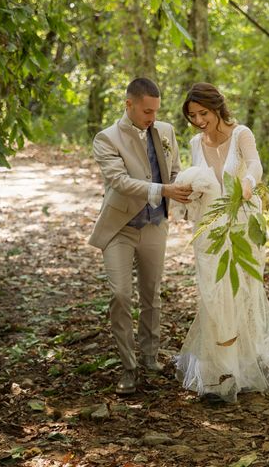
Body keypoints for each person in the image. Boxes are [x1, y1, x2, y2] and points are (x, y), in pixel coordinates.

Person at [88, 78, 192, 395]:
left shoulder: (166, 131)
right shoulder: (106, 139)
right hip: (120, 227)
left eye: (156, 111)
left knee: (152, 293)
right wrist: (162, 190)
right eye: (147, 111)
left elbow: (173, 171)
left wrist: (190, 188)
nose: (152, 118)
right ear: (128, 104)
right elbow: (119, 182)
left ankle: (150, 357)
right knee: (120, 295)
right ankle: (128, 367)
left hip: (155, 224)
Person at [175, 82, 269, 403]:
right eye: (193, 116)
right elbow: (197, 180)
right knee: (214, 293)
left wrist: (247, 183)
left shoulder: (241, 133)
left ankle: (243, 368)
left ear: (217, 107)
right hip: (209, 227)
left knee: (240, 290)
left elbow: (256, 165)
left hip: (242, 222)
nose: (199, 120)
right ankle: (217, 375)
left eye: (203, 113)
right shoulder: (194, 142)